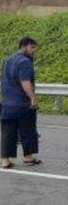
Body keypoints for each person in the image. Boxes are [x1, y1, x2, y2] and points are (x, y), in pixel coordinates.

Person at [1, 37, 41, 169]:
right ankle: (28, 157)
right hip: (22, 103)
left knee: (8, 132)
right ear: (24, 46)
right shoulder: (25, 62)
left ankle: (5, 160)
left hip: (7, 103)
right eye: (32, 47)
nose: (34, 51)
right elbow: (25, 82)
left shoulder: (8, 60)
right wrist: (33, 98)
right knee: (28, 130)